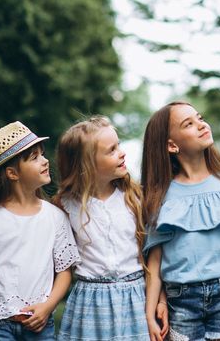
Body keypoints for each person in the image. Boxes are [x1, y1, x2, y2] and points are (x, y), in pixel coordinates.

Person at [141, 102, 220, 341]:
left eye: (200, 118)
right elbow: (155, 262)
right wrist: (149, 312)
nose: (201, 125)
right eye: (188, 124)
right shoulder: (160, 197)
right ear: (172, 145)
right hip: (181, 302)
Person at [0, 121, 81, 341]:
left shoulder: (55, 217)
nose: (45, 161)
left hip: (39, 324)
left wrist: (48, 307)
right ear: (12, 173)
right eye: (34, 157)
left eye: (42, 154)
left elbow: (65, 271)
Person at [54, 116, 159, 340]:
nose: (122, 153)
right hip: (90, 302)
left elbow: (153, 256)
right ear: (86, 165)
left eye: (118, 145)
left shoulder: (135, 198)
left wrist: (160, 301)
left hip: (136, 297)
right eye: (111, 150)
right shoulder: (65, 205)